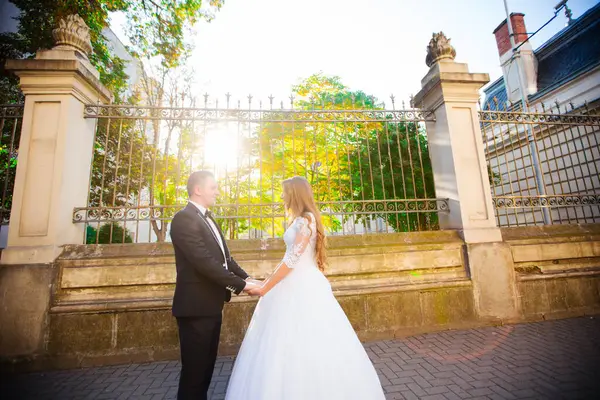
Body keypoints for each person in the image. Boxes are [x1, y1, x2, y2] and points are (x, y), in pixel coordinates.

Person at [225, 176, 386, 400]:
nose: (281, 197)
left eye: (284, 192)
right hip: (294, 283)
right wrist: (265, 282)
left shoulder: (305, 220)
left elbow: (292, 260)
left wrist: (265, 287)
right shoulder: (300, 220)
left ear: (294, 194)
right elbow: (288, 259)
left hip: (303, 286)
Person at [169, 170, 260, 400]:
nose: (217, 192)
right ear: (198, 189)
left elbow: (225, 260)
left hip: (211, 306)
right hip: (195, 309)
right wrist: (242, 286)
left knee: (206, 371)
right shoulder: (183, 218)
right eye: (213, 187)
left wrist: (249, 279)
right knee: (194, 374)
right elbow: (204, 263)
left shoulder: (209, 218)